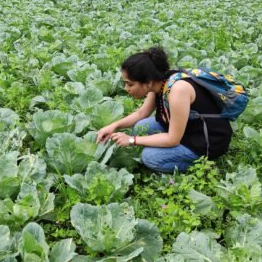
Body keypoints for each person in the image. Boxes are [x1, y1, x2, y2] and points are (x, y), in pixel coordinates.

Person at [96, 47, 232, 173]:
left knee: (149, 157)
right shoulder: (159, 83)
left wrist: (132, 140)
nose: (126, 89)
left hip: (206, 140)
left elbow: (173, 139)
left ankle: (204, 164)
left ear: (148, 82)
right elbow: (141, 113)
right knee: (141, 126)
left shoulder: (178, 90)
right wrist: (113, 126)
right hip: (188, 129)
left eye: (130, 84)